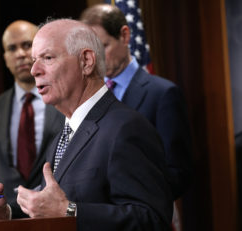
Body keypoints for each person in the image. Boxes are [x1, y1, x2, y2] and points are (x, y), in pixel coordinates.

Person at [0, 18, 173, 230]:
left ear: (86, 61)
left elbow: (152, 219)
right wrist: (7, 212)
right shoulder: (67, 130)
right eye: (34, 60)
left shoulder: (126, 128)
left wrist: (69, 211)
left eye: (47, 58)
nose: (34, 70)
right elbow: (50, 202)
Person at [80, 4, 192, 199]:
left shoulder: (163, 94)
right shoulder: (85, 98)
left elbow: (177, 173)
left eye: (103, 46)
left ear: (124, 35)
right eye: (89, 52)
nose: (95, 59)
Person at [0, 20, 64, 215]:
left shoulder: (66, 102)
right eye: (12, 48)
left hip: (57, 220)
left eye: (27, 45)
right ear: (5, 58)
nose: (20, 54)